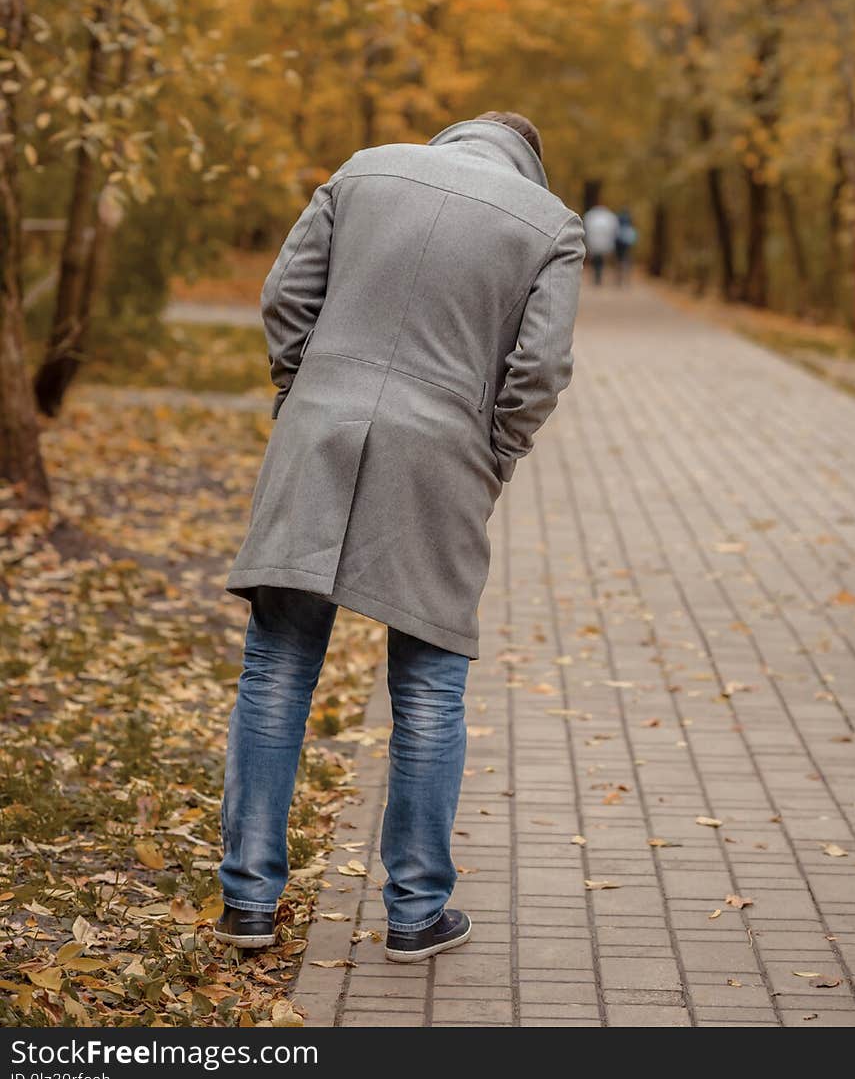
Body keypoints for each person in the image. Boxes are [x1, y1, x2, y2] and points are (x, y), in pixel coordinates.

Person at [215, 111, 585, 962]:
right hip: (441, 461)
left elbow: (285, 297)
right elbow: (539, 371)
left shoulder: (362, 171)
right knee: (428, 691)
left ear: (451, 139)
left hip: (317, 435)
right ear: (526, 160)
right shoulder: (548, 225)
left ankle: (249, 904)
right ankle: (415, 914)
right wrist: (493, 454)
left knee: (277, 668)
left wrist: (303, 395)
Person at [582, 203, 619, 285]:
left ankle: (597, 277)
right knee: (600, 261)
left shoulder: (590, 216)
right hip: (604, 244)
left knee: (596, 261)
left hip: (594, 244)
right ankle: (598, 277)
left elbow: (587, 231)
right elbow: (613, 232)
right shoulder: (609, 217)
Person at [614, 208, 638, 285]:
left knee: (620, 259)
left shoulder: (619, 218)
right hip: (627, 241)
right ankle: (626, 277)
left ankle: (619, 278)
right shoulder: (629, 219)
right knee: (626, 258)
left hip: (619, 240)